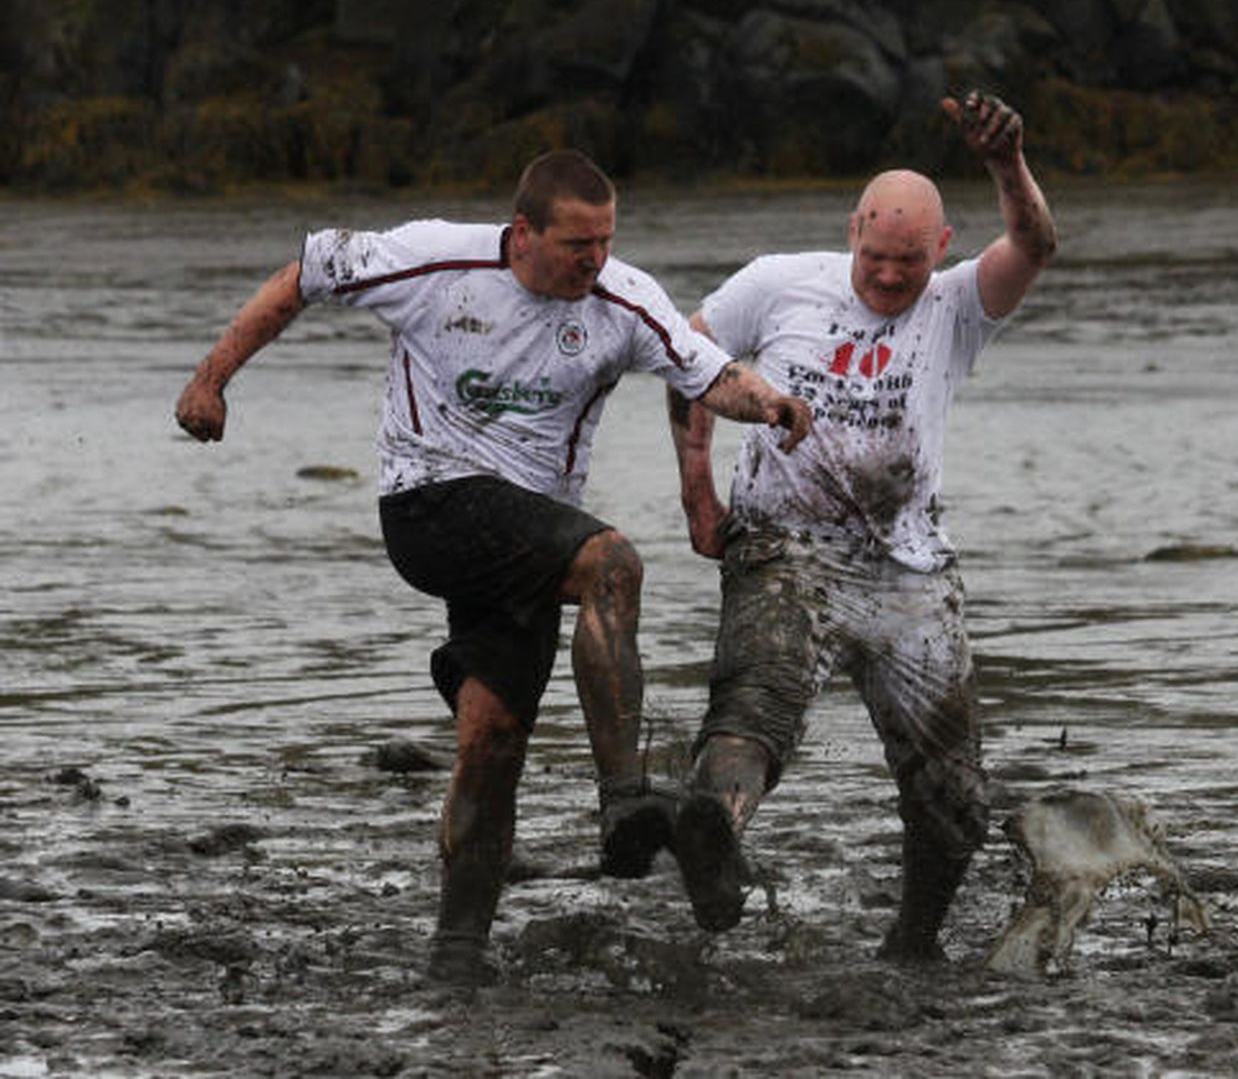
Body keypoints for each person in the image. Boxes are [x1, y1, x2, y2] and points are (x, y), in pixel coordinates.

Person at [174, 149, 813, 984]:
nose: (594, 261)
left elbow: (707, 375)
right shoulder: (437, 259)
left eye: (605, 242)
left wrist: (768, 403)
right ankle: (624, 797)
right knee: (612, 563)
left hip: (525, 536)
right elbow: (308, 271)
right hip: (428, 503)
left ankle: (458, 948)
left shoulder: (624, 298)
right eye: (576, 244)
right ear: (523, 235)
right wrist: (211, 380)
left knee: (491, 736)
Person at [664, 91, 1056, 961]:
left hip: (910, 568)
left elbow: (1034, 244)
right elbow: (687, 358)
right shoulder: (777, 283)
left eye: (907, 262)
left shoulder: (957, 305)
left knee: (955, 797)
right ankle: (712, 832)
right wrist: (698, 492)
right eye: (875, 257)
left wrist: (1005, 163)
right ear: (852, 232)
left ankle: (912, 944)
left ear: (941, 249)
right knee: (756, 703)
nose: (887, 277)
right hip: (784, 547)